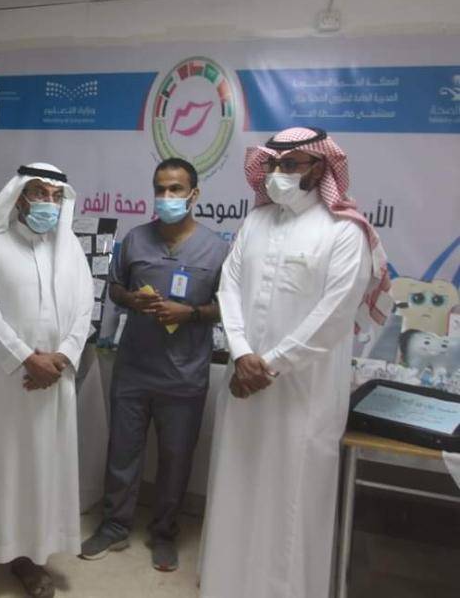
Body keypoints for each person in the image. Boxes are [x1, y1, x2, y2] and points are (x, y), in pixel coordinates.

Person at [199, 127, 392, 598]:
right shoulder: (255, 222)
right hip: (245, 384)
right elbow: (229, 288)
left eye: (290, 165)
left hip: (303, 395)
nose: (277, 174)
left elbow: (335, 314)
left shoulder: (345, 232)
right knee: (237, 487)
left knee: (291, 498)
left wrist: (268, 365)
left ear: (320, 168)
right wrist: (241, 353)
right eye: (272, 164)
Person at [0, 163, 94, 598]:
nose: (48, 202)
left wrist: (61, 358)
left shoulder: (70, 250)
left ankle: (29, 557)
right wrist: (27, 359)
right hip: (5, 381)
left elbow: (84, 310)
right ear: (20, 196)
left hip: (54, 382)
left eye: (55, 195)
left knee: (41, 472)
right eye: (39, 193)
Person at [81, 158, 228, 571]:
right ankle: (114, 526)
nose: (166, 197)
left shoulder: (217, 248)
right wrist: (132, 299)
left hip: (185, 373)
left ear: (194, 194)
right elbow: (115, 288)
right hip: (134, 368)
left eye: (175, 189)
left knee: (176, 458)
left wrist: (191, 313)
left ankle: (164, 533)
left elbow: (227, 307)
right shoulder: (135, 239)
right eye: (160, 189)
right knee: (122, 451)